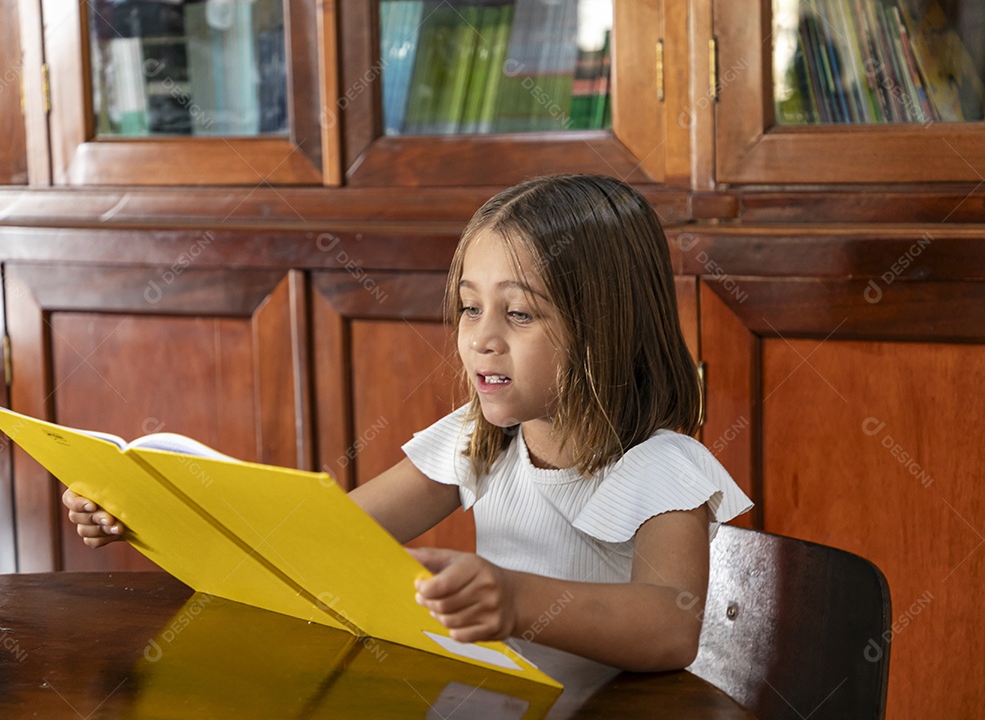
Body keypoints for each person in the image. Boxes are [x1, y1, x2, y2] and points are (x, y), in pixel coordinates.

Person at [64, 174, 751, 672]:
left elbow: (669, 626)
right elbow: (318, 538)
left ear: (608, 327)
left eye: (518, 313)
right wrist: (143, 506)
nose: (481, 339)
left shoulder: (661, 468)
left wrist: (514, 599)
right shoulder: (476, 441)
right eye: (467, 307)